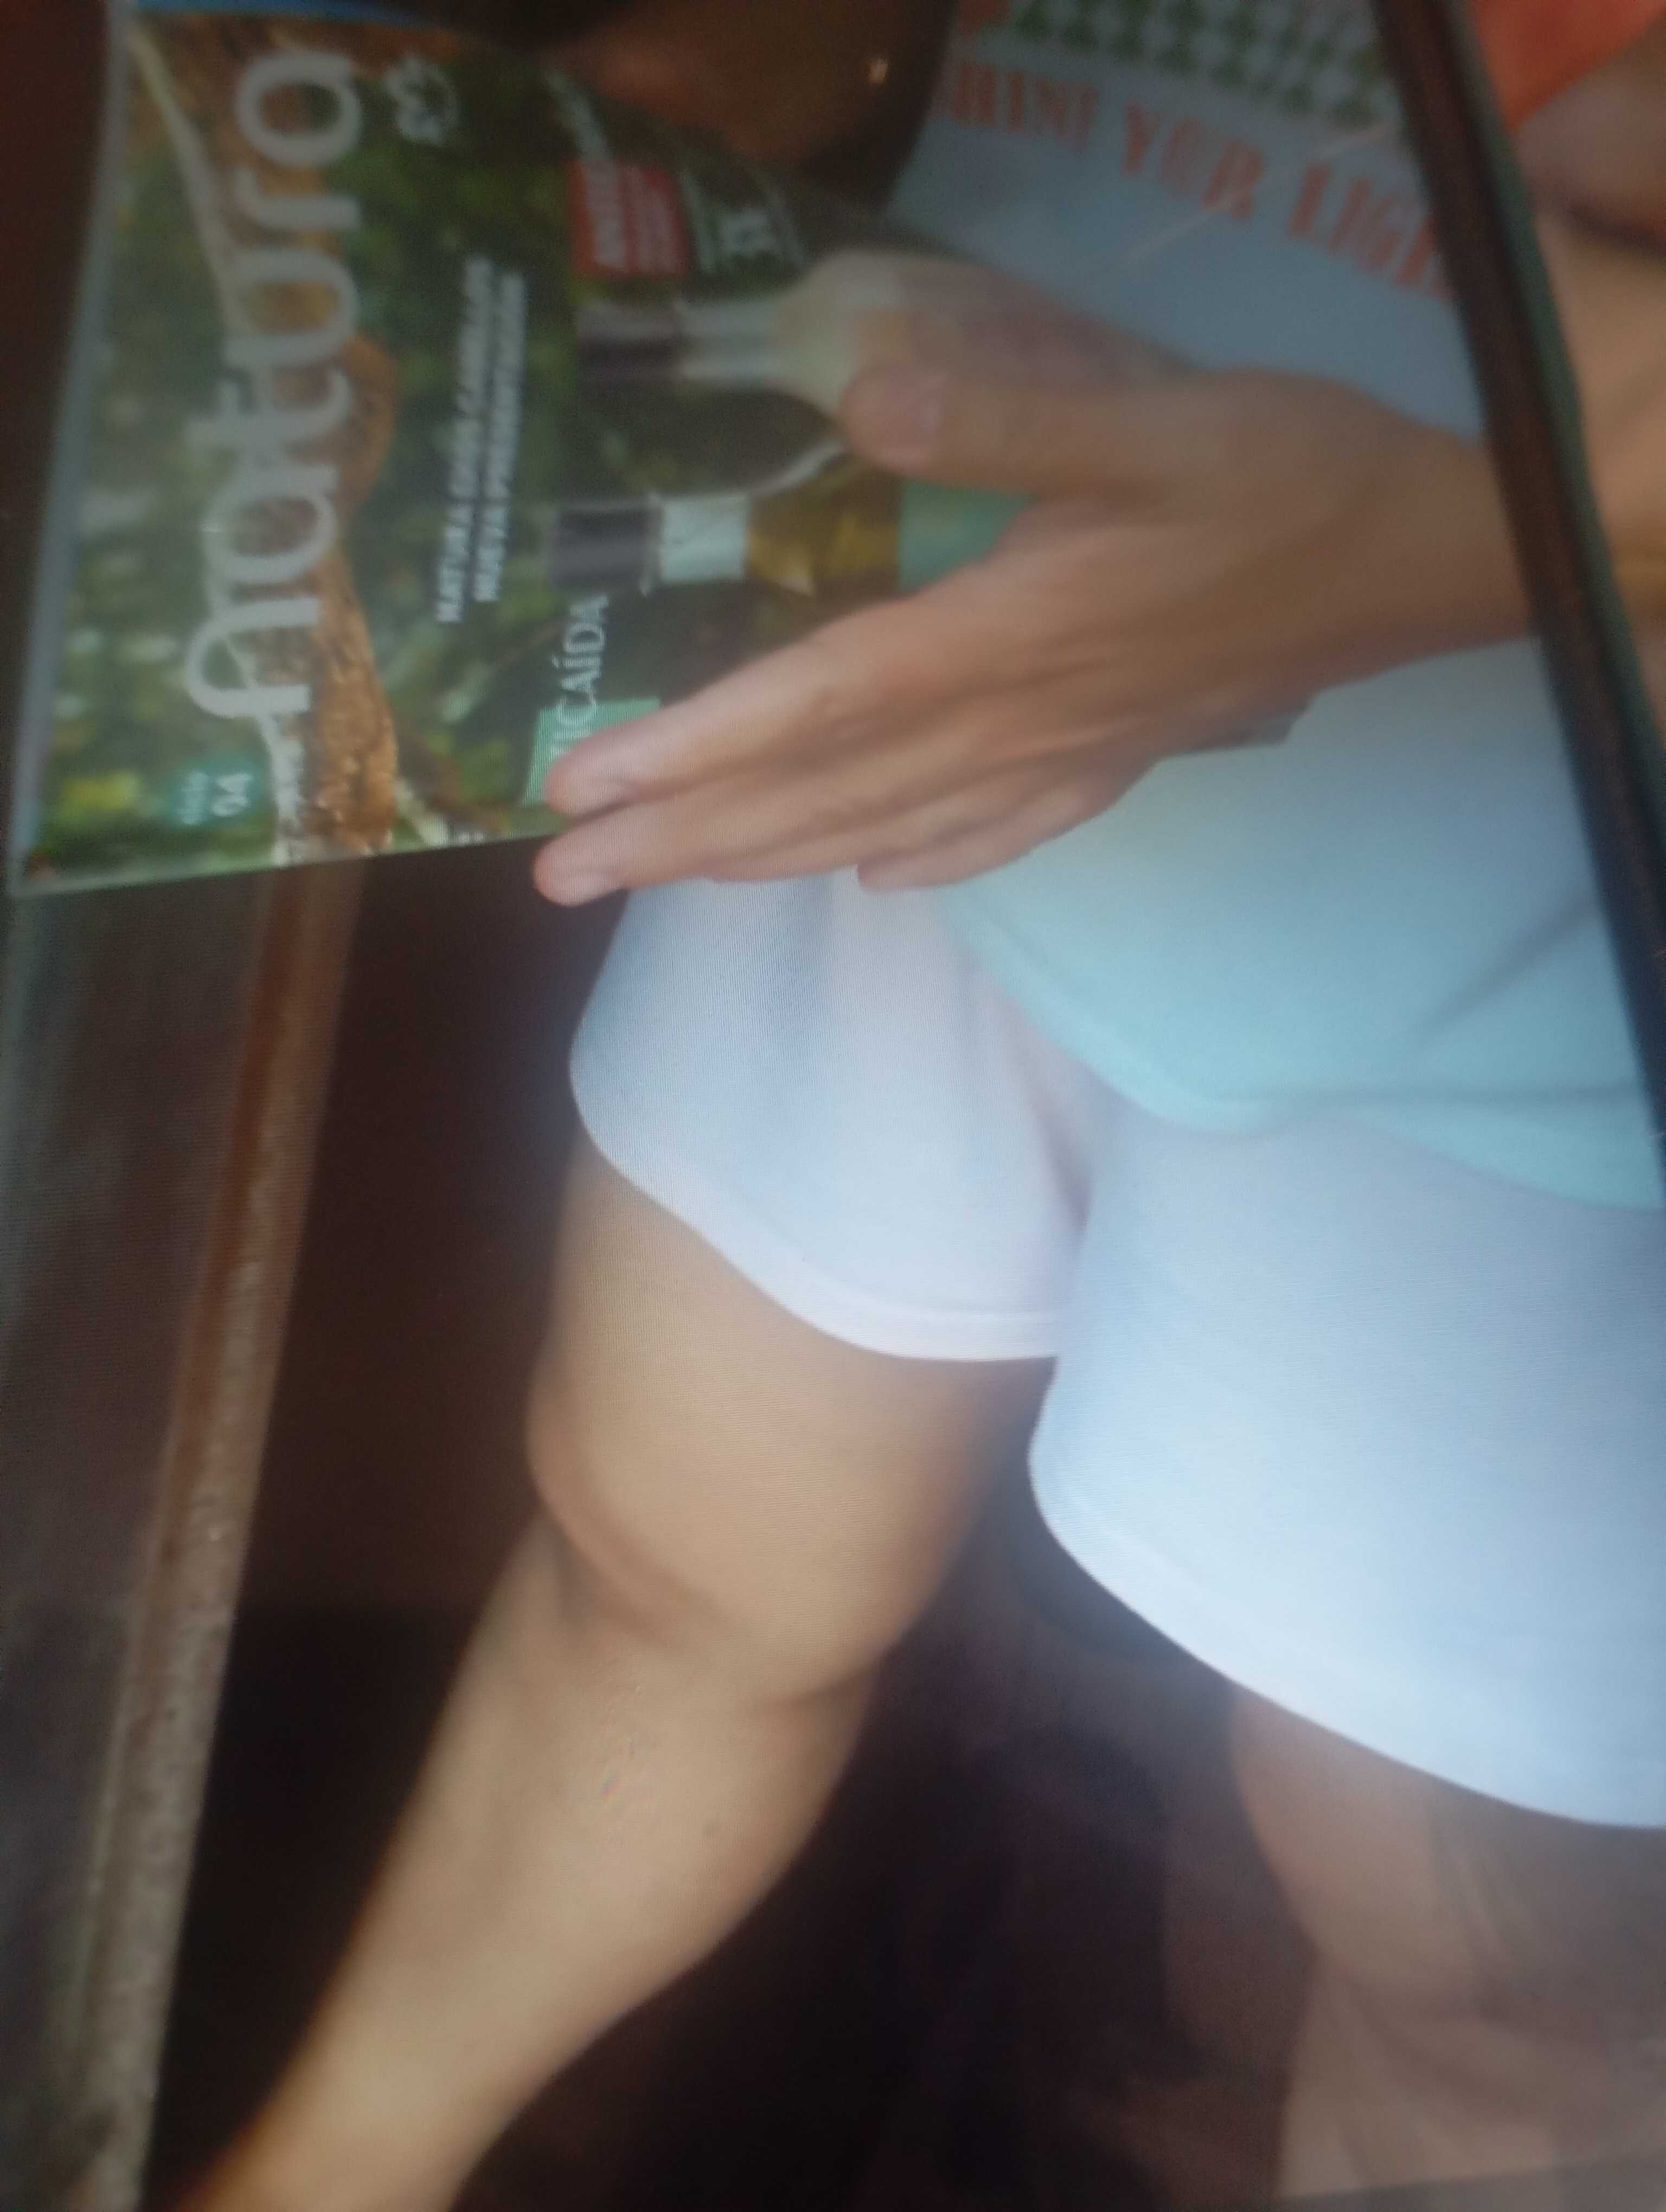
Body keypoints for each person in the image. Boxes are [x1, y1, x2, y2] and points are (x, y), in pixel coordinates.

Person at [182, 2, 1666, 2206]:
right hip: (922, 641)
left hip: (1561, 921)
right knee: (665, 1567)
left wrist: (1462, 530)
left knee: (1490, 1994)